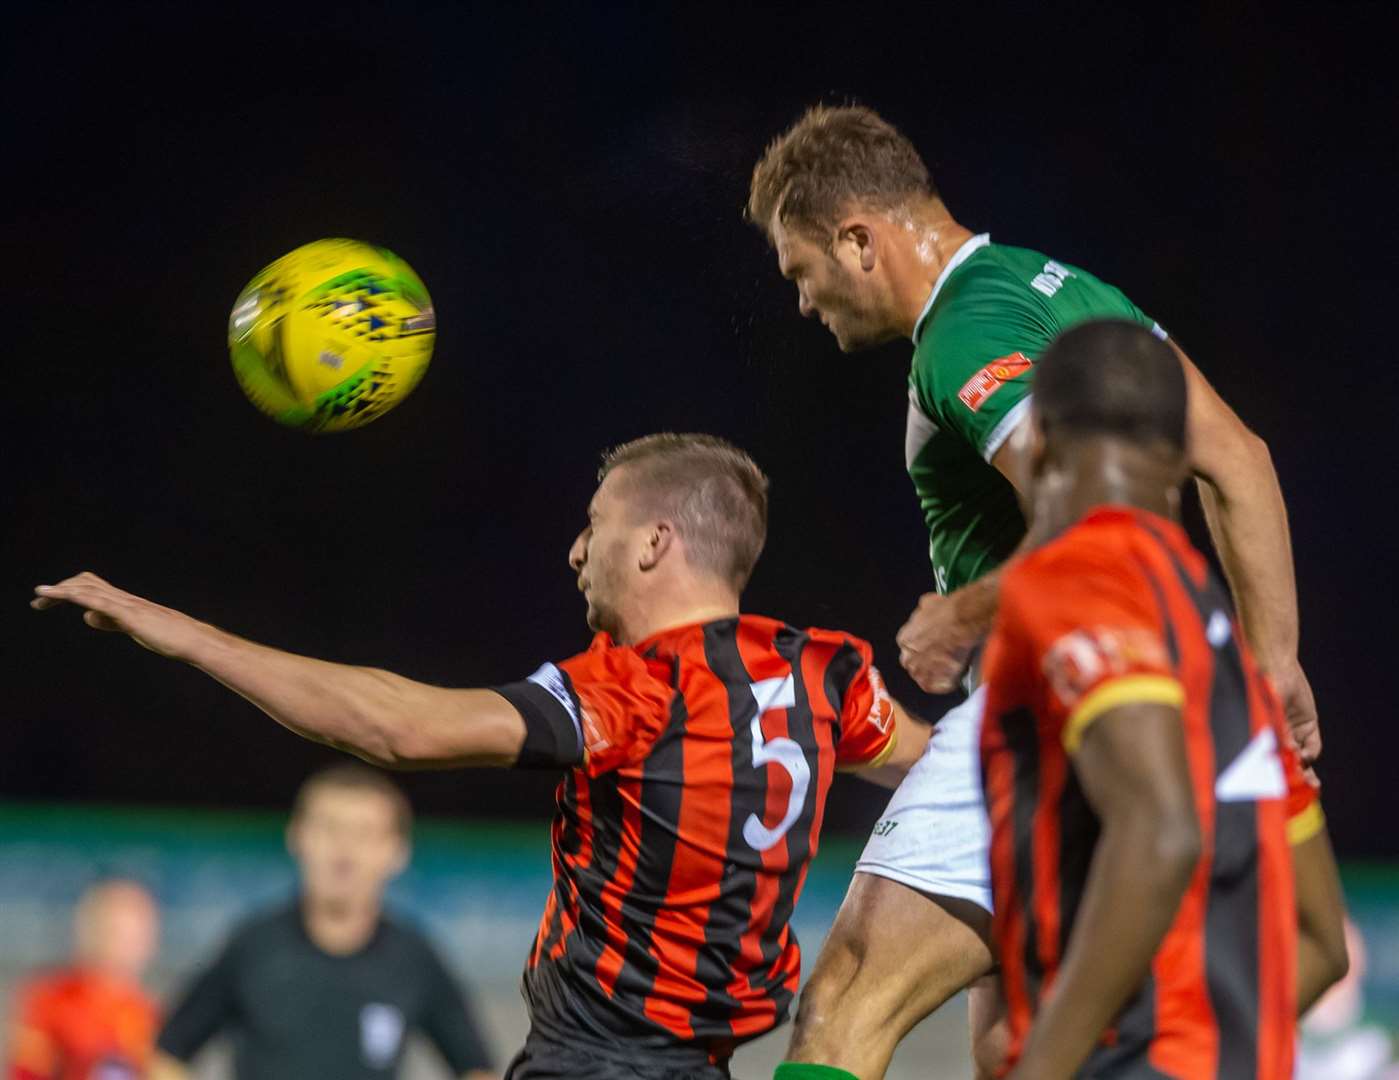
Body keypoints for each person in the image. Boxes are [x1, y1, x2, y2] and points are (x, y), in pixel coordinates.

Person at [31, 432, 930, 1080]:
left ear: (657, 542)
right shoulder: (823, 672)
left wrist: (185, 636)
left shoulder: (635, 686)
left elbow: (396, 727)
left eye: (597, 522)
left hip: (598, 1061)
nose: (578, 549)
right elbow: (937, 767)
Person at [747, 103, 1319, 1077]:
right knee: (1018, 1041)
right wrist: (1273, 663)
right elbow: (1239, 459)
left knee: (847, 996)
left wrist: (961, 613)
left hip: (1054, 696)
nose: (804, 303)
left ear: (857, 240)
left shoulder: (960, 335)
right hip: (1178, 686)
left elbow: (1097, 523)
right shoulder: (1068, 292)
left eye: (801, 274)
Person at [978, 319, 1347, 1077]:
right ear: (1179, 458)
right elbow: (1320, 944)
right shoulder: (1218, 641)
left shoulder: (1077, 574)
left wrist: (1047, 1067)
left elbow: (1158, 830)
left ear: (1038, 439)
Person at [148, 764, 496, 1080]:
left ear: (396, 851)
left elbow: (478, 1069)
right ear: (297, 836)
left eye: (364, 833)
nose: (344, 851)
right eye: (329, 829)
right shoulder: (253, 945)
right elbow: (166, 1056)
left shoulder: (415, 959)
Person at [6, 879, 161, 1080]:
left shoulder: (148, 1014)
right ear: (91, 931)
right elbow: (26, 1074)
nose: (128, 946)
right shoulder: (52, 1001)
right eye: (117, 932)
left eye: (138, 935)